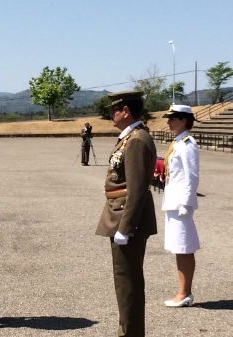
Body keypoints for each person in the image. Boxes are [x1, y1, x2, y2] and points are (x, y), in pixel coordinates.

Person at [96, 90, 157, 337]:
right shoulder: (129, 138)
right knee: (124, 283)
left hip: (125, 220)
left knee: (128, 284)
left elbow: (137, 189)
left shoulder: (137, 140)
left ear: (126, 111)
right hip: (119, 215)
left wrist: (126, 227)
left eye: (114, 110)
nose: (111, 114)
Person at [161, 105, 200, 307]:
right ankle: (183, 291)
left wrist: (186, 203)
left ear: (183, 120)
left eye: (172, 118)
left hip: (180, 203)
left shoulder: (187, 144)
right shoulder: (177, 142)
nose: (168, 122)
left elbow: (192, 176)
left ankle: (185, 293)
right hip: (173, 202)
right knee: (179, 248)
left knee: (184, 248)